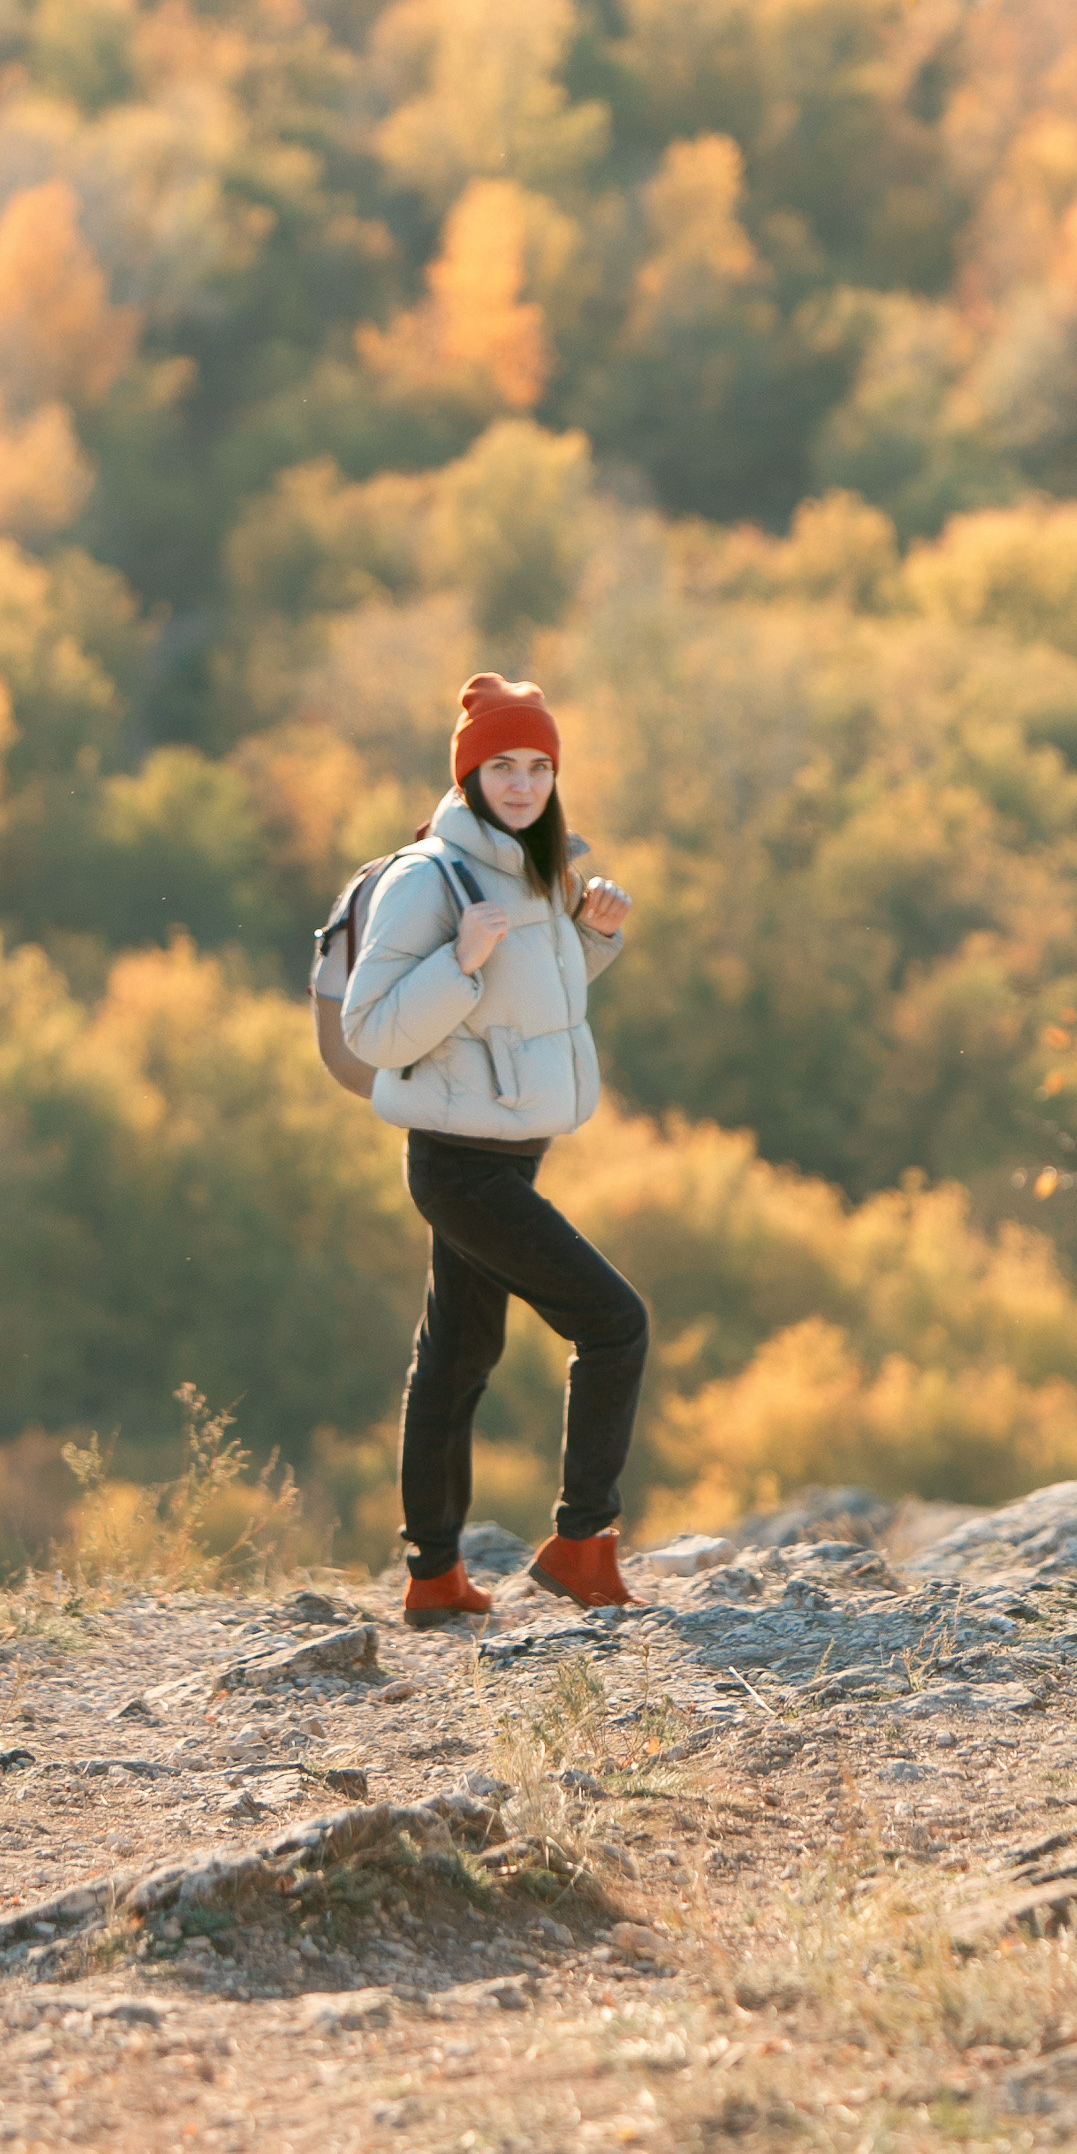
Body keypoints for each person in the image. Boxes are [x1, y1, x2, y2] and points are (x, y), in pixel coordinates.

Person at [339, 672, 644, 1623]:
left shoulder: (534, 870)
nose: (522, 784)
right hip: (456, 1161)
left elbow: (521, 1014)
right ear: (468, 776)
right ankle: (581, 1546)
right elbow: (371, 1031)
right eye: (502, 766)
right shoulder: (427, 880)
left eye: (538, 766)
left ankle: (434, 1578)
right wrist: (456, 960)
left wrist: (591, 940)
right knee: (613, 1323)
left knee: (458, 1356)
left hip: (507, 1151)